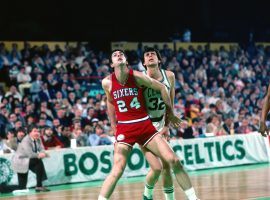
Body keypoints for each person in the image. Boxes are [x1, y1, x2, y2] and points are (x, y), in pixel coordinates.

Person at [98, 50, 198, 200]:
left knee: (172, 161)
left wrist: (169, 116)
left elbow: (162, 88)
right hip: (126, 127)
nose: (118, 55)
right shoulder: (107, 82)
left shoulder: (139, 76)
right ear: (112, 63)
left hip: (146, 124)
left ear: (126, 60)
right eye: (115, 55)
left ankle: (192, 198)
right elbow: (110, 101)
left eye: (121, 54)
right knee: (118, 169)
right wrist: (113, 126)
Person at [140, 47, 176, 200]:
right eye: (147, 55)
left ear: (159, 60)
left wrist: (167, 125)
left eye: (152, 54)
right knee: (156, 168)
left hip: (162, 123)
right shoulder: (139, 78)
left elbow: (171, 102)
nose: (150, 56)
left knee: (167, 165)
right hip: (145, 125)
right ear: (144, 63)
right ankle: (147, 194)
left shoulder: (170, 76)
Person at [11, 125, 50, 192]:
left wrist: (43, 153)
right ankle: (2, 188)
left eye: (38, 131)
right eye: (35, 131)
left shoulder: (38, 138)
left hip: (28, 160)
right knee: (22, 188)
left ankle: (39, 185)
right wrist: (40, 154)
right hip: (20, 161)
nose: (37, 133)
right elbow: (30, 154)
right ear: (29, 133)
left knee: (38, 162)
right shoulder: (26, 140)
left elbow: (41, 148)